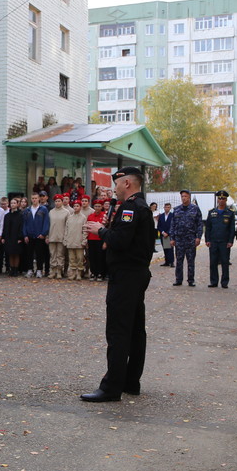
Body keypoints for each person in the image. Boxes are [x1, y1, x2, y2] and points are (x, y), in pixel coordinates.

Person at [81, 167, 155, 402]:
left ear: (127, 184)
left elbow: (121, 241)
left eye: (117, 184)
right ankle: (130, 381)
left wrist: (100, 231)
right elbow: (128, 240)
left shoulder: (131, 207)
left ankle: (111, 387)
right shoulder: (140, 206)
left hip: (126, 276)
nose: (114, 189)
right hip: (135, 274)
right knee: (134, 330)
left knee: (119, 331)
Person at [169, 189, 202, 287]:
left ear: (189, 197)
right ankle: (178, 279)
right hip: (179, 239)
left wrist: (198, 237)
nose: (183, 198)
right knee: (179, 260)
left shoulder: (195, 209)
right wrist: (172, 238)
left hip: (190, 239)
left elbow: (199, 224)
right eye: (182, 196)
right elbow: (173, 225)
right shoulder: (177, 209)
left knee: (190, 261)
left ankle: (191, 280)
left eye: (185, 196)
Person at [203, 190, 236, 289]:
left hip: (224, 242)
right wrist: (207, 240)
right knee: (213, 262)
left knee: (225, 262)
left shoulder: (230, 213)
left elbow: (231, 229)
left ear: (226, 200)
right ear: (217, 199)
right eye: (220, 198)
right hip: (213, 241)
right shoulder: (212, 212)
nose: (221, 200)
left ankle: (224, 282)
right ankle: (213, 281)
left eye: (223, 199)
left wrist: (230, 241)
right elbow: (208, 227)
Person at [21, 192, 49, 277]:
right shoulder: (27, 210)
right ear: (31, 199)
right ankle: (30, 270)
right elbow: (24, 223)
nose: (34, 200)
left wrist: (43, 233)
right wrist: (25, 235)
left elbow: (46, 222)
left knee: (39, 254)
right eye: (33, 198)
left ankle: (39, 270)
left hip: (39, 235)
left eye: (36, 198)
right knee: (29, 253)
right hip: (30, 235)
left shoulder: (43, 209)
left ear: (39, 199)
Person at [64, 199, 87, 280]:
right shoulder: (69, 217)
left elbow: (84, 230)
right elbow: (66, 229)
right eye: (74, 206)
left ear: (80, 207)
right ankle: (73, 273)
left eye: (77, 206)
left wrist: (84, 240)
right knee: (72, 258)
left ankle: (79, 273)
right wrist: (65, 239)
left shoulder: (83, 217)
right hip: (70, 241)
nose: (76, 207)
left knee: (80, 258)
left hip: (79, 241)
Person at [0, 196, 23, 276]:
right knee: (10, 253)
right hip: (8, 237)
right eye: (11, 203)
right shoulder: (7, 216)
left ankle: (16, 269)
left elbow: (21, 226)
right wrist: (3, 237)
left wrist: (20, 237)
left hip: (16, 237)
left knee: (16, 253)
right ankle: (11, 269)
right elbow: (4, 227)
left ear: (17, 204)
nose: (13, 204)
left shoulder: (20, 215)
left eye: (14, 203)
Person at [86, 200, 108, 280]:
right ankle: (93, 272)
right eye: (96, 206)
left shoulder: (104, 216)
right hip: (91, 239)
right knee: (92, 256)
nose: (97, 208)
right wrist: (86, 239)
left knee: (100, 256)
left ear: (101, 207)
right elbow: (88, 228)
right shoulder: (90, 216)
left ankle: (100, 273)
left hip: (100, 239)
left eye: (99, 206)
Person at [157, 202, 174, 267]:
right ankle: (166, 261)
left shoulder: (172, 215)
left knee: (170, 248)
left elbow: (173, 225)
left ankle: (171, 262)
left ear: (170, 208)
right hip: (163, 234)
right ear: (164, 208)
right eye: (166, 207)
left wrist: (168, 232)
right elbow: (159, 226)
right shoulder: (161, 216)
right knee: (165, 248)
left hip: (169, 234)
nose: (167, 208)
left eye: (168, 207)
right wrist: (163, 232)